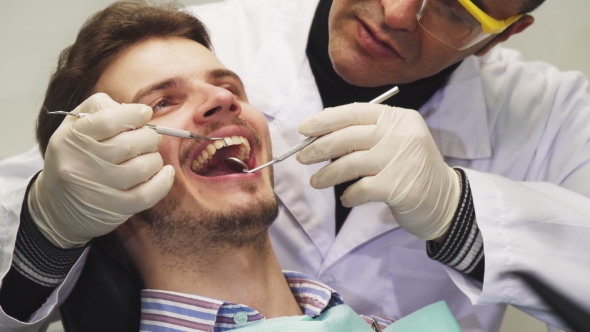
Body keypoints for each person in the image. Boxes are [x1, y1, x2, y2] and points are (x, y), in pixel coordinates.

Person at [1, 0, 590, 331]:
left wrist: (459, 213)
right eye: (163, 101)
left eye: (456, 7)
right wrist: (45, 233)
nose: (397, 10)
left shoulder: (558, 117)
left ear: (502, 34)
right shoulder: (219, 31)